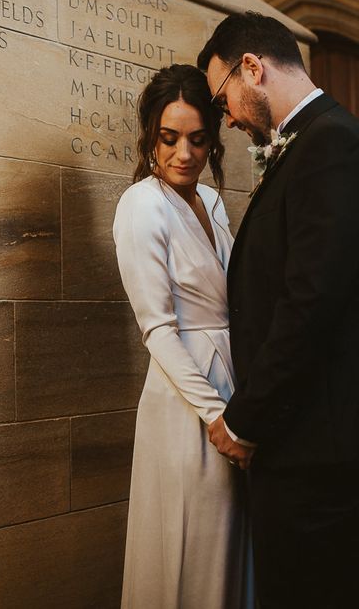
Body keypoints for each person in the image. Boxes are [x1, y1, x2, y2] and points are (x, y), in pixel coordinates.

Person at [197, 11, 359, 609]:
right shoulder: (316, 141)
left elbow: (310, 304)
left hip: (319, 429)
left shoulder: (332, 145)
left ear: (253, 67)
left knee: (307, 587)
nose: (229, 119)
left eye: (224, 101)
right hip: (318, 423)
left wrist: (247, 420)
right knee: (329, 580)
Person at [113, 64, 254, 609]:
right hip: (185, 400)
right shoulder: (141, 205)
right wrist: (216, 415)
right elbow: (157, 329)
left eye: (198, 140)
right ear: (150, 134)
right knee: (188, 544)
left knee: (228, 540)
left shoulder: (214, 204)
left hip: (235, 386)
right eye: (169, 139)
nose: (184, 154)